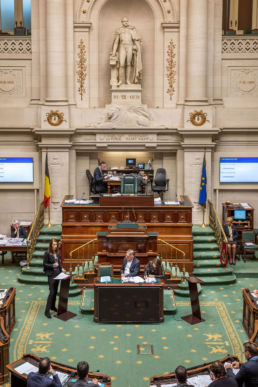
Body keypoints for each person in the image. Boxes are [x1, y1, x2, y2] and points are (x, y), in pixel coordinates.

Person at [111, 17, 142, 86]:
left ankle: (128, 80)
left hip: (130, 47)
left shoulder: (131, 29)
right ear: (121, 22)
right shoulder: (119, 30)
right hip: (122, 47)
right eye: (124, 21)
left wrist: (136, 46)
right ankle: (121, 81)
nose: (126, 22)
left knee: (129, 64)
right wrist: (113, 52)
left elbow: (136, 39)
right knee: (121, 64)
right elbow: (116, 42)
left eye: (127, 21)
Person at [43, 238, 66, 318]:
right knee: (52, 292)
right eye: (53, 244)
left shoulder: (58, 253)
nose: (55, 246)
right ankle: (47, 311)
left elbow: (59, 263)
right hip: (51, 275)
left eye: (56, 244)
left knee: (55, 292)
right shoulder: (47, 253)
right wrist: (52, 265)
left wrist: (62, 268)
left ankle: (53, 306)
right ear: (50, 245)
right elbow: (45, 264)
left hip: (58, 274)